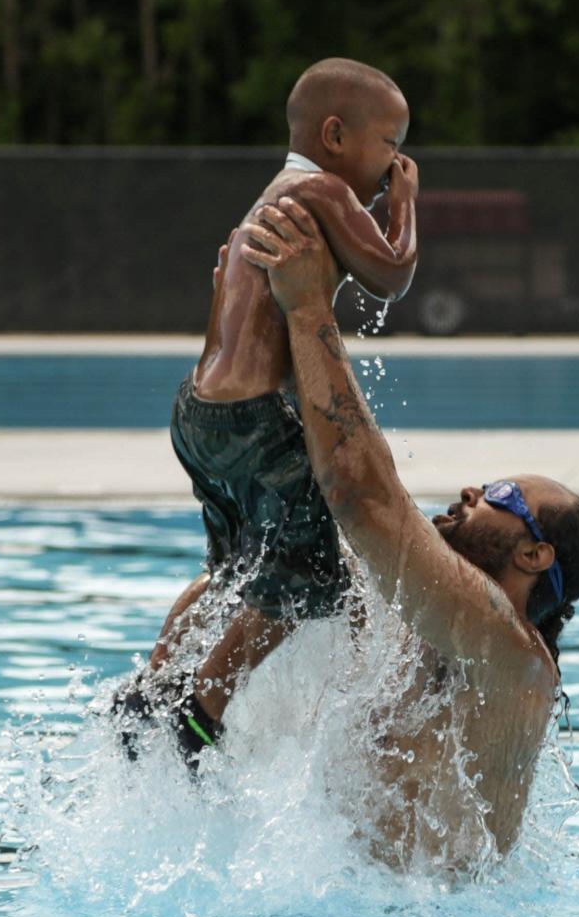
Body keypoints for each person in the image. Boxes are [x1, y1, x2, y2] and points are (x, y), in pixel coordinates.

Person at [238, 195, 579, 862]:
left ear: (533, 553)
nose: (472, 489)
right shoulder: (406, 624)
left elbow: (362, 494)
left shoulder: (513, 659)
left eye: (499, 494)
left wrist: (310, 307)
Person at [114, 57, 419, 764]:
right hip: (251, 419)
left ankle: (151, 688)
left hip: (198, 414)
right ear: (336, 134)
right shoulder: (319, 188)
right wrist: (406, 202)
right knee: (311, 574)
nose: (394, 165)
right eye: (391, 147)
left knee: (238, 571)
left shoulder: (268, 198)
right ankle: (198, 717)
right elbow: (393, 272)